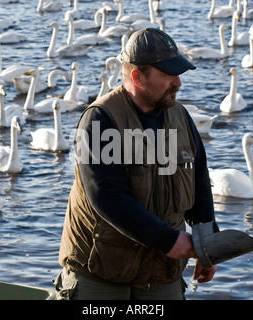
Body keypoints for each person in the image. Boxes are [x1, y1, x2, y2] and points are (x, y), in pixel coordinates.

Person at [55, 27, 217, 300]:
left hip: (162, 274)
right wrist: (168, 241)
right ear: (137, 77)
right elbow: (106, 196)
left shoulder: (180, 117)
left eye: (178, 74)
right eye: (168, 75)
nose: (178, 82)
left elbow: (200, 184)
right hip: (102, 274)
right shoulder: (100, 120)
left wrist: (208, 244)